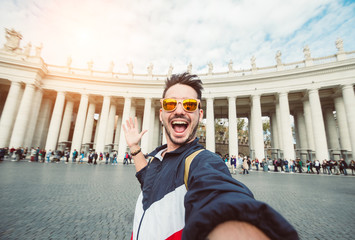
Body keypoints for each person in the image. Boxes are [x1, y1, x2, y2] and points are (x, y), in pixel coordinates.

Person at [122, 72, 298, 240]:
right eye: (170, 104)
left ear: (199, 115)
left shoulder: (202, 161)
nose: (179, 110)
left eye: (189, 105)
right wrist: (135, 147)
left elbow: (219, 193)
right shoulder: (157, 157)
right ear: (161, 114)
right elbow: (147, 180)